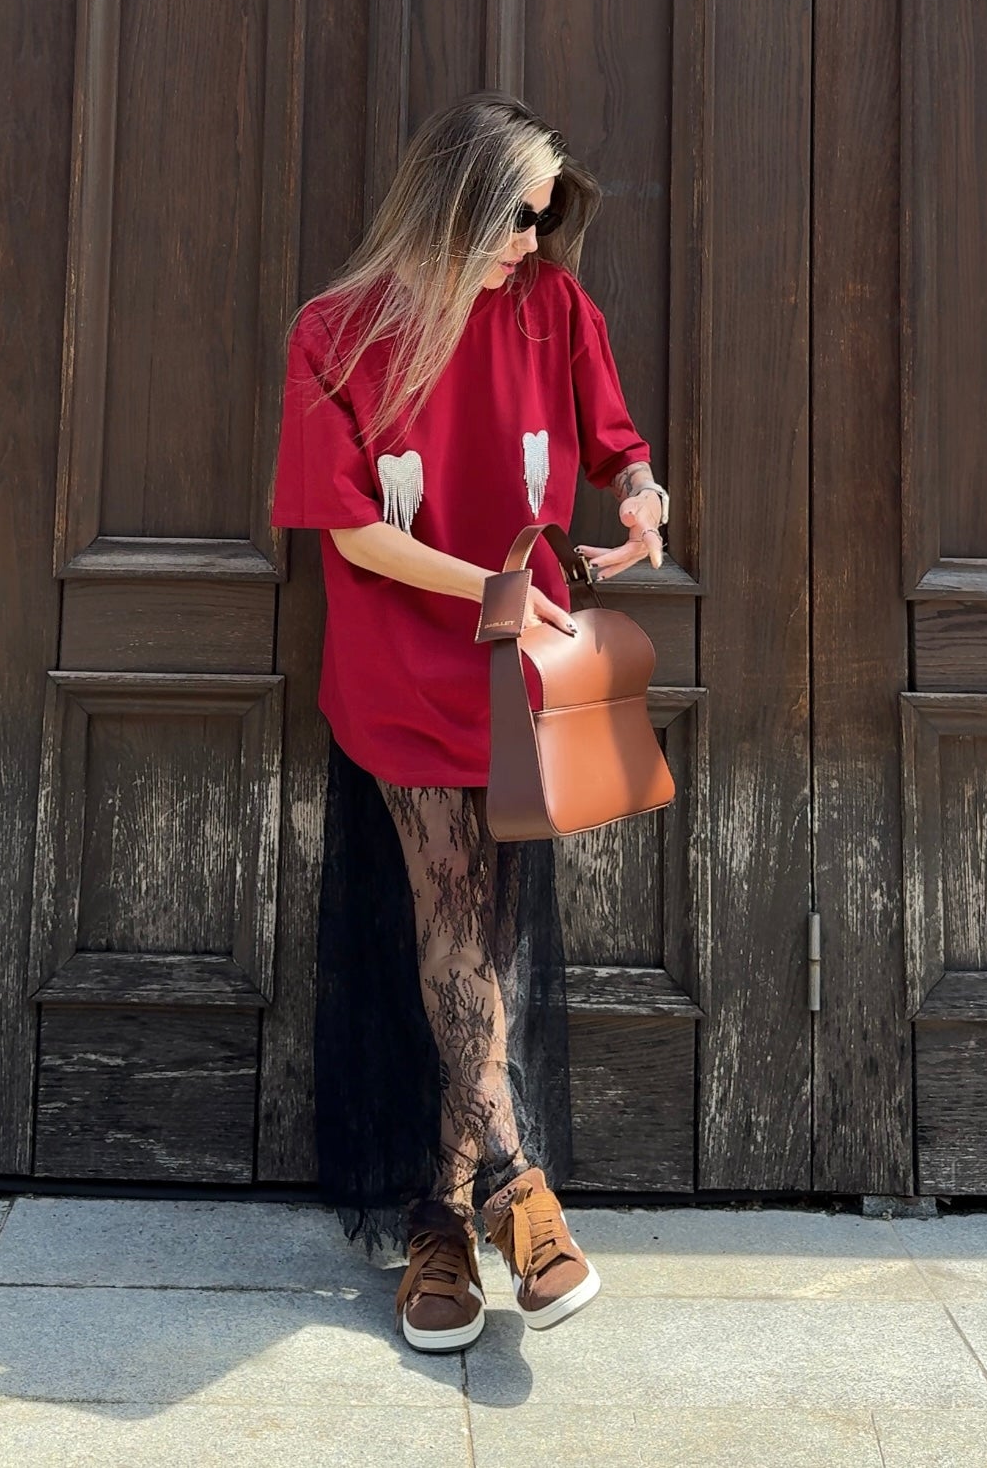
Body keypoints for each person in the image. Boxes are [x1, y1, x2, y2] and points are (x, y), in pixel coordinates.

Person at [270, 92, 668, 1351]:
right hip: (402, 665)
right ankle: (510, 1180)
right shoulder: (335, 332)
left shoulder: (552, 306)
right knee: (452, 911)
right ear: (452, 202)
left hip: (518, 669)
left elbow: (615, 442)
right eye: (512, 218)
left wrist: (644, 495)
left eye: (542, 220)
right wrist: (489, 586)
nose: (528, 243)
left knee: (483, 932)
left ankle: (441, 1216)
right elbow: (351, 530)